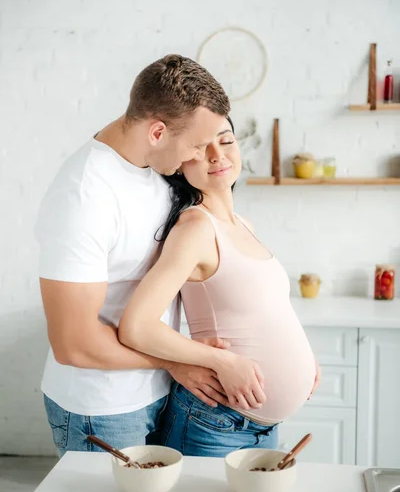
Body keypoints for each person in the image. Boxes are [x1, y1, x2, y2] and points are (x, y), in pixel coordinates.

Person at [35, 55, 265, 457]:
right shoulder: (84, 195)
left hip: (162, 393)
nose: (197, 155)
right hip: (102, 409)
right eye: (195, 144)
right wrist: (174, 363)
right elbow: (72, 343)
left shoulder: (155, 166)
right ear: (157, 131)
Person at [118, 116, 321, 457]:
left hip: (260, 426)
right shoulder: (196, 226)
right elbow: (136, 327)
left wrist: (303, 358)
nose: (217, 154)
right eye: (201, 147)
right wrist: (223, 363)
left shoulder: (243, 224)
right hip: (214, 423)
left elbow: (265, 308)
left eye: (226, 141)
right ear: (180, 164)